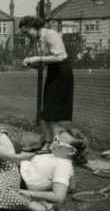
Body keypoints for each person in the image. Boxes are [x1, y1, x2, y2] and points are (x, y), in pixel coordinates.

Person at [20, 16, 74, 154]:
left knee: (53, 112)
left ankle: (56, 145)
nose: (27, 36)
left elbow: (59, 57)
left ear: (34, 26)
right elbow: (43, 64)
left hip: (62, 72)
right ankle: (49, 142)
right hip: (53, 72)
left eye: (27, 32)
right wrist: (30, 64)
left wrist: (36, 58)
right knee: (47, 111)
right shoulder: (38, 40)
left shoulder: (51, 34)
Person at [17, 128, 88, 204]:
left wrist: (27, 193)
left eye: (60, 142)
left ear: (71, 151)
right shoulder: (56, 155)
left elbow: (58, 196)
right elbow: (71, 187)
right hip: (17, 171)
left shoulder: (63, 165)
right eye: (56, 139)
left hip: (19, 180)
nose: (55, 143)